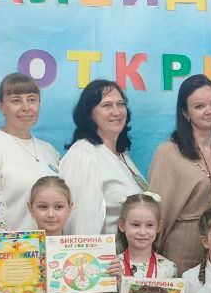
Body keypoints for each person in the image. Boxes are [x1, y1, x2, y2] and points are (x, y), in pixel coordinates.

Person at [147, 74, 211, 272]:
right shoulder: (169, 152)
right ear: (185, 113)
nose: (209, 110)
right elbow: (158, 210)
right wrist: (150, 256)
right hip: (180, 248)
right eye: (199, 106)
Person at [0, 73, 61, 233]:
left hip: (51, 246)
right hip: (10, 247)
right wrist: (15, 246)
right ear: (1, 106)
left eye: (32, 100)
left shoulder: (49, 150)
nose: (26, 107)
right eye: (16, 101)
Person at [61, 80, 147, 236]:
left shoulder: (121, 155)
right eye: (107, 105)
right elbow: (80, 225)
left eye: (120, 104)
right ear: (89, 113)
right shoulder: (83, 156)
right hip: (102, 252)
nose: (117, 112)